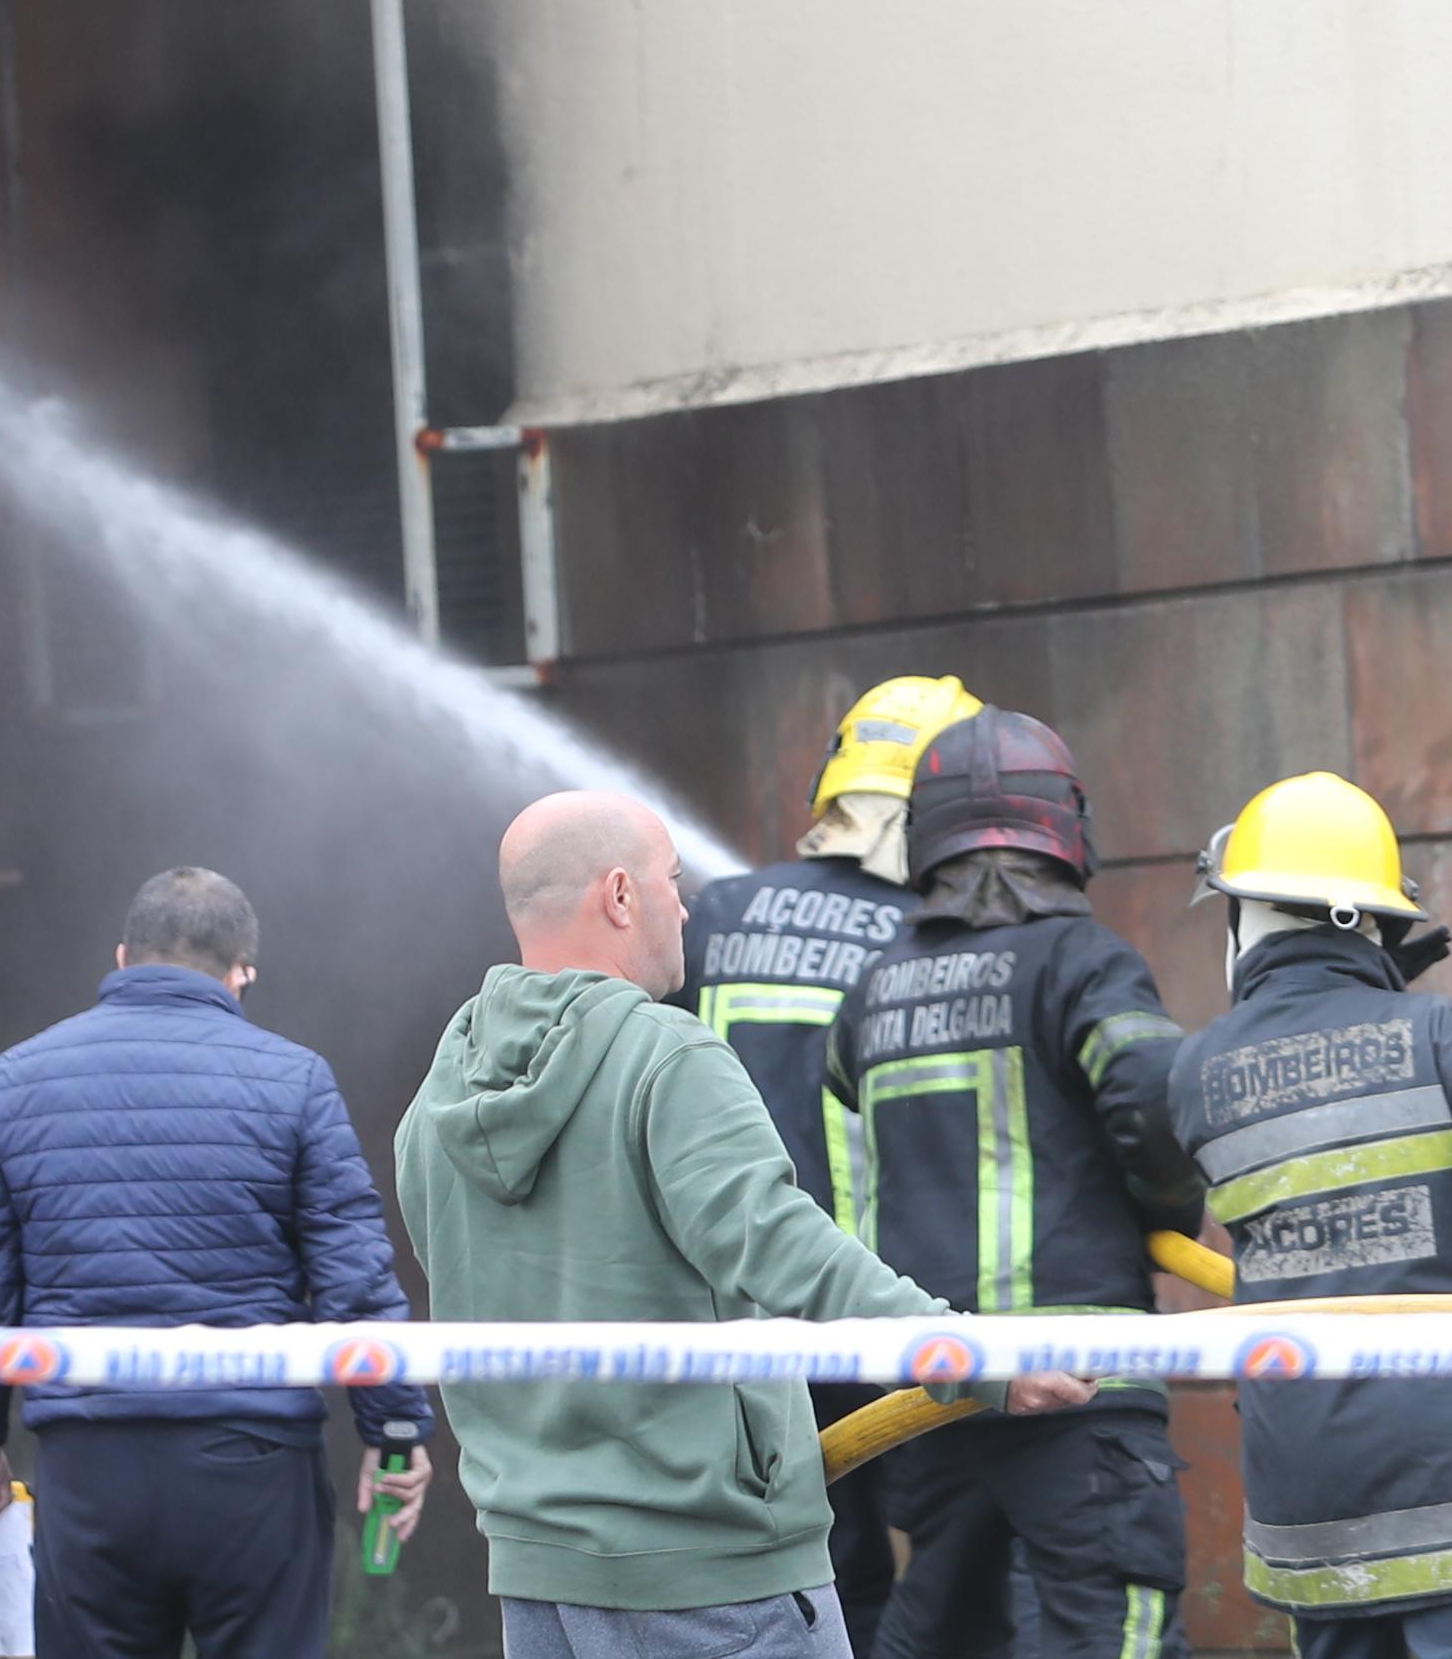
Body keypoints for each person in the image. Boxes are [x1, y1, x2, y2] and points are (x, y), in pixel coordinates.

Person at [397, 787, 1094, 1659]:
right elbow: (785, 1249)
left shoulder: (437, 1100)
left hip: (539, 1585)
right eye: (671, 882)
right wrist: (972, 1358)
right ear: (619, 896)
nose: (683, 907)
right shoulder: (668, 1058)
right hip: (713, 1579)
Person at [1163, 773, 1452, 1659]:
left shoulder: (1195, 1075)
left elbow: (1159, 1196)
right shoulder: (1442, 1037)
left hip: (1310, 1516)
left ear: (1244, 920)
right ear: (1374, 920)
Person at [0, 866, 436, 1659]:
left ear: (123, 958)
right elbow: (354, 1275)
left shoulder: (18, 1079)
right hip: (252, 1467)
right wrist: (395, 1427)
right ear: (243, 976)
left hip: (88, 1469)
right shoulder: (295, 1080)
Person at [819, 709, 1204, 1659]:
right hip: (1083, 1388)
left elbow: (837, 1149)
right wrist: (1167, 1213)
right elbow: (1158, 1106)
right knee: (1114, 1632)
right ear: (1066, 831)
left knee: (944, 1632)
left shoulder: (873, 993)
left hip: (939, 1394)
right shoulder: (1084, 963)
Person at [683, 674, 985, 1649]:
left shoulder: (718, 912)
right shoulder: (938, 937)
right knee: (955, 1575)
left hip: (736, 1323)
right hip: (894, 1309)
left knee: (807, 1587)